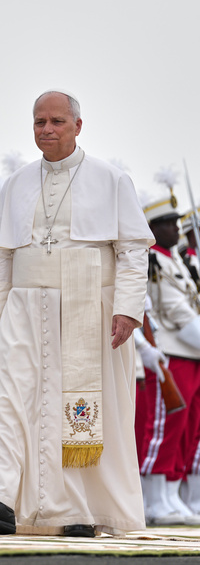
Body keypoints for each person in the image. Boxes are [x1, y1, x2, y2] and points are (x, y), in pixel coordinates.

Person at [0, 90, 153, 537]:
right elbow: (0, 258)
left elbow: (131, 252)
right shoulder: (16, 183)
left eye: (57, 122)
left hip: (88, 303)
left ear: (78, 126)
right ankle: (0, 499)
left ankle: (76, 511)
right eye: (39, 122)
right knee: (8, 399)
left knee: (77, 407)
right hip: (24, 306)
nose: (46, 129)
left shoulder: (111, 179)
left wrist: (127, 309)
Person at [139, 188, 200, 524]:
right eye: (167, 223)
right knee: (164, 427)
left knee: (187, 429)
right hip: (173, 351)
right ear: (152, 228)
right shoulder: (154, 262)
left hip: (191, 354)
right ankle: (154, 499)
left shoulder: (176, 259)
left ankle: (171, 495)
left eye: (176, 223)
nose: (176, 229)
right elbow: (177, 311)